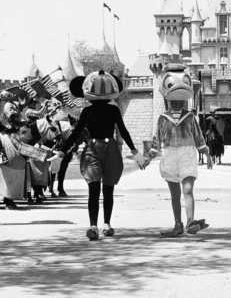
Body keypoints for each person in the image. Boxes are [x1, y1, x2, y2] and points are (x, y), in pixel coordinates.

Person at [60, 70, 144, 240]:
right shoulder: (88, 112)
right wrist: (63, 150)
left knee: (108, 188)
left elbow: (123, 131)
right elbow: (76, 133)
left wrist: (135, 151)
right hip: (93, 150)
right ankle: (93, 225)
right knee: (94, 187)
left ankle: (106, 223)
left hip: (109, 150)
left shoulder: (112, 110)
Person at [143, 64, 212, 237]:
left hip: (187, 154)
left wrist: (207, 154)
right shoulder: (162, 119)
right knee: (175, 194)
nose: (178, 101)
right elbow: (157, 142)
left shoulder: (189, 117)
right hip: (170, 155)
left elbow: (199, 138)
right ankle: (178, 224)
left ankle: (190, 222)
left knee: (187, 190)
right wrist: (148, 158)